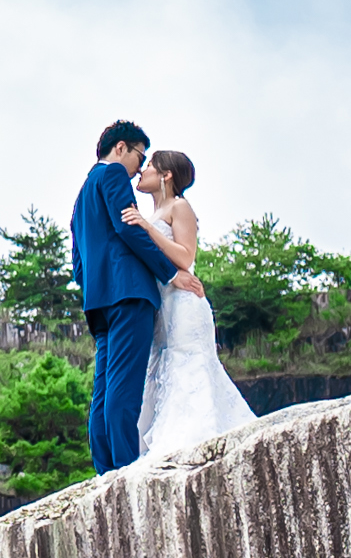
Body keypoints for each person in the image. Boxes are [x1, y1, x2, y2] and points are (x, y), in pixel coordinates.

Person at [126, 148, 257, 457]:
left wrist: (147, 228)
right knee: (162, 370)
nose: (142, 170)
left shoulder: (179, 206)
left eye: (150, 165)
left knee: (187, 364)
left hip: (184, 304)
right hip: (162, 307)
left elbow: (186, 257)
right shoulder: (153, 214)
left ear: (166, 174)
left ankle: (196, 438)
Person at [71, 119, 179, 472]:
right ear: (120, 148)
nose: (138, 169)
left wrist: (98, 288)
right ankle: (126, 467)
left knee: (103, 390)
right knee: (125, 387)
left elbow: (78, 266)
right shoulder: (113, 174)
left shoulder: (80, 198)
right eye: (139, 156)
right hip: (129, 293)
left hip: (98, 302)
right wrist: (169, 273)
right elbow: (127, 226)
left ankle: (106, 469)